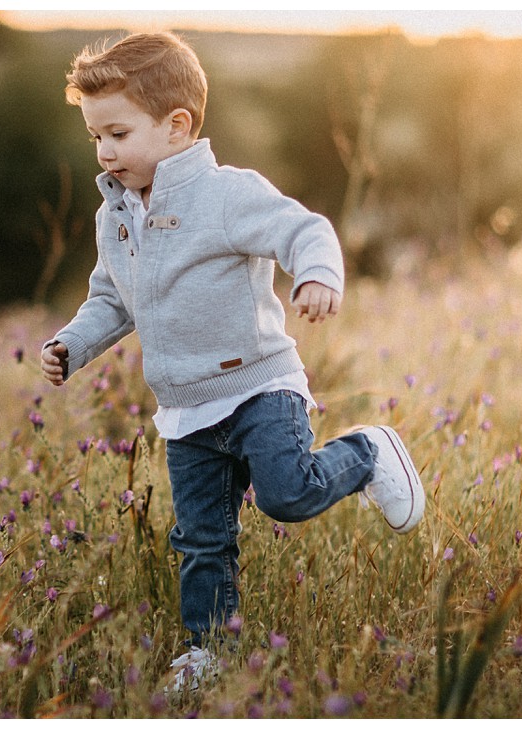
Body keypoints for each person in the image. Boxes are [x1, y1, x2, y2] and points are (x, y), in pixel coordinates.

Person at [39, 32, 424, 693]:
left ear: (177, 124)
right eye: (95, 136)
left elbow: (301, 230)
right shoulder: (119, 214)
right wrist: (72, 344)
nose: (103, 151)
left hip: (257, 387)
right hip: (185, 410)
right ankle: (207, 648)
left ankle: (367, 452)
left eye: (118, 133)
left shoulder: (223, 195)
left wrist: (316, 274)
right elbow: (111, 296)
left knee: (288, 493)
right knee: (202, 539)